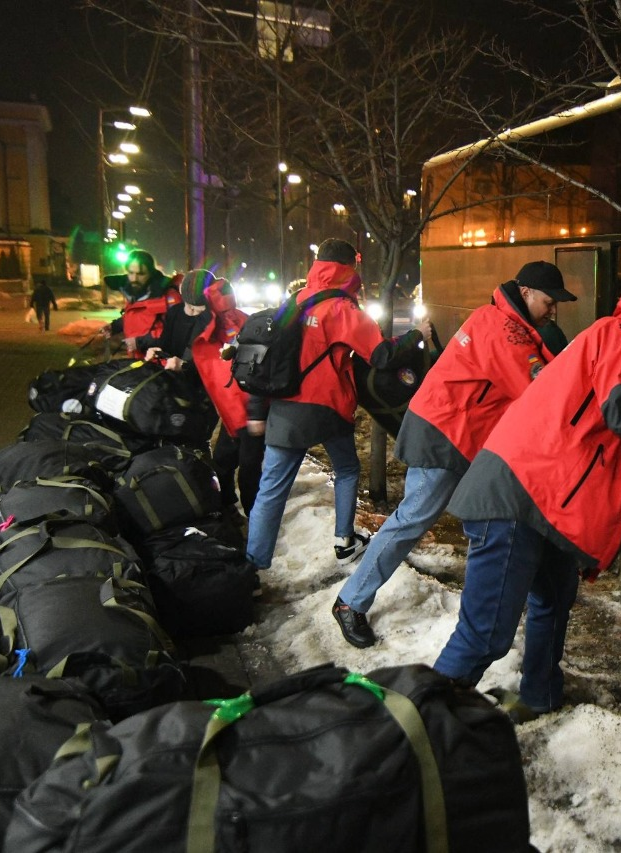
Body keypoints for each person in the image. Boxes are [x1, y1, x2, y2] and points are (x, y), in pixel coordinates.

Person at [432, 288, 621, 714]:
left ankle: (541, 699)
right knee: (486, 633)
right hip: (518, 495)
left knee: (555, 600)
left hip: (547, 502)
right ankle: (425, 726)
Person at [331, 260, 575, 648]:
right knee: (411, 520)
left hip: (455, 434)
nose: (554, 309)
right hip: (445, 435)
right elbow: (539, 392)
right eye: (549, 301)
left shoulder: (497, 318)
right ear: (526, 293)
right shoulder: (505, 332)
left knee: (482, 516)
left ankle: (489, 610)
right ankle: (350, 601)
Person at [244, 238, 432, 572]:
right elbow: (381, 355)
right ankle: (344, 541)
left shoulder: (294, 300)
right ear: (349, 267)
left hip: (285, 407)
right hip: (327, 407)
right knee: (346, 469)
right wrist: (416, 334)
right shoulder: (342, 308)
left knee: (271, 490)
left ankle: (253, 568)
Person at [142, 269, 265, 517]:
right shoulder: (210, 320)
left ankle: (256, 525)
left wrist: (184, 365)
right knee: (222, 463)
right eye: (188, 306)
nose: (192, 312)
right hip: (232, 412)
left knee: (249, 472)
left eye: (196, 308)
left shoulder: (227, 325)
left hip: (246, 412)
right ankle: (227, 506)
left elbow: (217, 364)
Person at [99, 249, 182, 357]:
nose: (134, 279)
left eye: (141, 274)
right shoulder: (133, 293)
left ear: (151, 273)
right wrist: (114, 326)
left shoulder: (170, 296)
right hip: (137, 360)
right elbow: (137, 317)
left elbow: (178, 331)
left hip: (161, 364)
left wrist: (139, 342)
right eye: (131, 273)